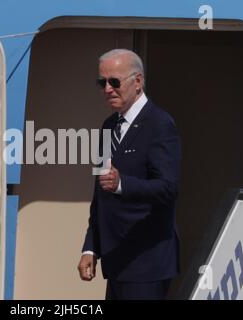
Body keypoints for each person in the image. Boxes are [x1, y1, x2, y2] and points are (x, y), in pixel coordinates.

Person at [77, 49, 182, 300]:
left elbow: (168, 188)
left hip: (147, 261)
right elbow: (100, 194)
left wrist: (123, 183)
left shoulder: (160, 124)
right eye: (101, 82)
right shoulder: (108, 126)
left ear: (138, 82)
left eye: (114, 81)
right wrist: (91, 248)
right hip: (116, 260)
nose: (107, 89)